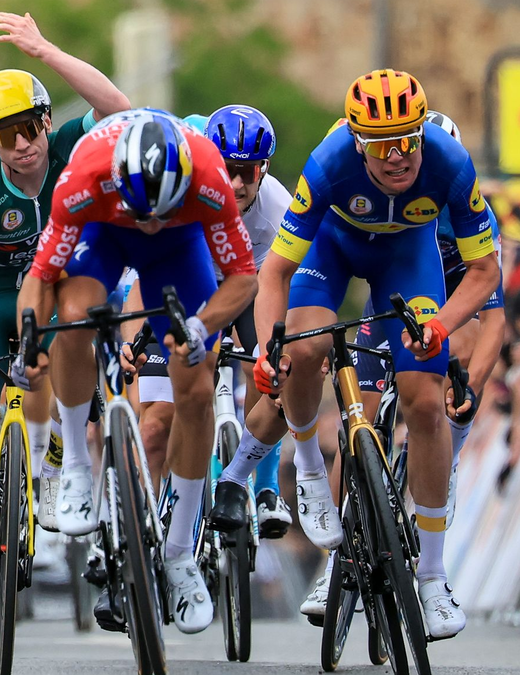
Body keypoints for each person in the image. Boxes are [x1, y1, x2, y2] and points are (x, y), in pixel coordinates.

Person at [208, 70, 500, 640]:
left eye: (409, 138)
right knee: (306, 346)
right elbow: (276, 271)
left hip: (407, 260)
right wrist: (271, 344)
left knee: (423, 404)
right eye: (383, 144)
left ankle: (434, 577)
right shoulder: (327, 162)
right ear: (356, 140)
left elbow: (486, 273)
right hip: (333, 253)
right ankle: (312, 474)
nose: (399, 156)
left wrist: (441, 325)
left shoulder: (450, 162)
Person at [0, 11, 130, 640]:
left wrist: (45, 52)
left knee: (90, 393)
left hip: (61, 289)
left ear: (45, 122)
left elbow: (118, 106)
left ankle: (68, 469)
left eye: (31, 127)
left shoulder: (69, 145)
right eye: (6, 136)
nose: (24, 145)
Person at [17, 109, 259, 634]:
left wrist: (200, 325)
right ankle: (77, 466)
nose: (150, 220)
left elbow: (243, 279)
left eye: (159, 210)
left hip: (180, 246)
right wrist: (29, 340)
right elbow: (40, 280)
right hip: (105, 234)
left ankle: (178, 555)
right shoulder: (82, 178)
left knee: (195, 389)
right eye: (143, 210)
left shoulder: (210, 177)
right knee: (74, 318)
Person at [298, 111, 507, 621]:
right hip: (385, 296)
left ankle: (443, 462)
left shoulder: (462, 203)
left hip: (442, 303)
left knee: (443, 386)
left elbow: (495, 314)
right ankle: (333, 565)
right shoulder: (357, 182)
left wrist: (471, 390)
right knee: (359, 423)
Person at [127, 105, 293, 537]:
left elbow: (292, 287)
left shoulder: (279, 207)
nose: (237, 184)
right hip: (190, 286)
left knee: (276, 374)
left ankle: (264, 485)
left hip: (252, 287)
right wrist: (131, 342)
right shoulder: (180, 191)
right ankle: (141, 537)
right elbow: (143, 278)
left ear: (264, 169)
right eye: (227, 170)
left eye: (248, 173)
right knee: (154, 426)